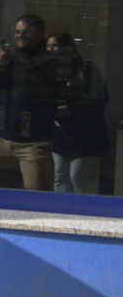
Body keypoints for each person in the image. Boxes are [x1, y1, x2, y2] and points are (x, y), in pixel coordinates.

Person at [0, 14, 58, 191]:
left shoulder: (49, 61)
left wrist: (8, 65)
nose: (20, 36)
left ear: (40, 34)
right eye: (17, 32)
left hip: (32, 143)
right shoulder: (9, 57)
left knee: (36, 196)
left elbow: (32, 88)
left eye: (27, 32)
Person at [47, 33, 109, 194]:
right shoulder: (48, 72)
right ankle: (61, 208)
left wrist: (70, 109)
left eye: (55, 45)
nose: (51, 50)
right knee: (60, 176)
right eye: (48, 46)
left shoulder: (86, 70)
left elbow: (100, 98)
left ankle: (83, 208)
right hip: (61, 133)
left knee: (78, 177)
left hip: (84, 134)